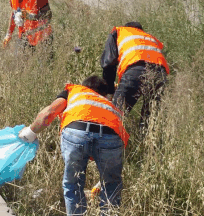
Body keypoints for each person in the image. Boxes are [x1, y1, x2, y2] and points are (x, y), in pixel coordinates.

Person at [19, 76, 129, 216]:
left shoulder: (74, 91)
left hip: (77, 130)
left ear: (84, 86)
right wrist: (106, 179)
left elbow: (49, 112)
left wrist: (29, 132)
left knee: (73, 184)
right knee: (112, 187)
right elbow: (119, 147)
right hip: (112, 136)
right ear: (105, 94)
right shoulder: (109, 104)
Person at [100, 22, 169, 129]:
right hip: (160, 74)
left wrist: (109, 92)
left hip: (135, 70)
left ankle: (108, 143)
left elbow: (108, 63)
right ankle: (147, 144)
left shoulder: (119, 32)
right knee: (151, 121)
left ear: (126, 27)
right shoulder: (150, 38)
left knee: (114, 116)